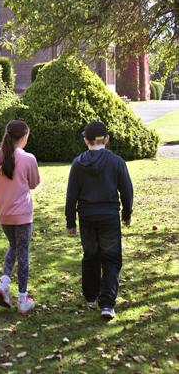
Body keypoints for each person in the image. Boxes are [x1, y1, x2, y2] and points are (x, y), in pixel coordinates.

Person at [65, 121, 133, 319]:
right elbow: (126, 190)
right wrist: (126, 213)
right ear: (107, 139)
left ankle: (90, 295)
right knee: (111, 257)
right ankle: (107, 303)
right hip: (109, 216)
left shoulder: (78, 163)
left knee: (91, 254)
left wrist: (71, 220)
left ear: (86, 141)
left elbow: (71, 195)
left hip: (86, 216)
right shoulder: (116, 161)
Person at [0, 120, 40, 315]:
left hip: (4, 214)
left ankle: (4, 282)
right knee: (23, 253)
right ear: (24, 137)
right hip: (23, 215)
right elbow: (34, 183)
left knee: (14, 247)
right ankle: (23, 298)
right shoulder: (28, 158)